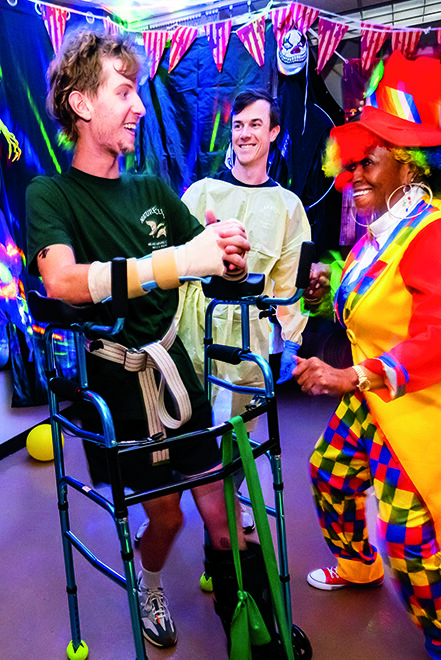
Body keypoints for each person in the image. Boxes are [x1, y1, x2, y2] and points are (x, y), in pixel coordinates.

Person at [26, 30, 287, 653]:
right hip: (118, 390)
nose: (139, 106)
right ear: (81, 103)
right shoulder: (49, 194)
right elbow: (62, 282)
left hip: (179, 376)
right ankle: (150, 584)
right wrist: (176, 262)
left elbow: (212, 263)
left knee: (225, 519)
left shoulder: (152, 191)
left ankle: (259, 641)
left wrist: (227, 253)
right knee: (166, 518)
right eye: (123, 92)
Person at [293, 51, 441, 660]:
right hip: (376, 397)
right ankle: (358, 566)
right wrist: (328, 289)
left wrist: (354, 374)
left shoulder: (437, 229)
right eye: (351, 162)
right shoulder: (383, 230)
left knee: (409, 539)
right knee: (330, 473)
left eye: (369, 162)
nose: (353, 175)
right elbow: (380, 301)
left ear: (407, 164)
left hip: (427, 404)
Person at [172, 87, 310, 534]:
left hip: (249, 336)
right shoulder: (201, 193)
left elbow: (289, 282)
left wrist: (288, 342)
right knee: (183, 421)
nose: (245, 133)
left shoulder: (288, 207)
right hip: (193, 328)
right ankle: (168, 510)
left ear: (273, 133)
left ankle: (230, 501)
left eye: (255, 124)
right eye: (237, 125)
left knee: (238, 428)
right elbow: (171, 260)